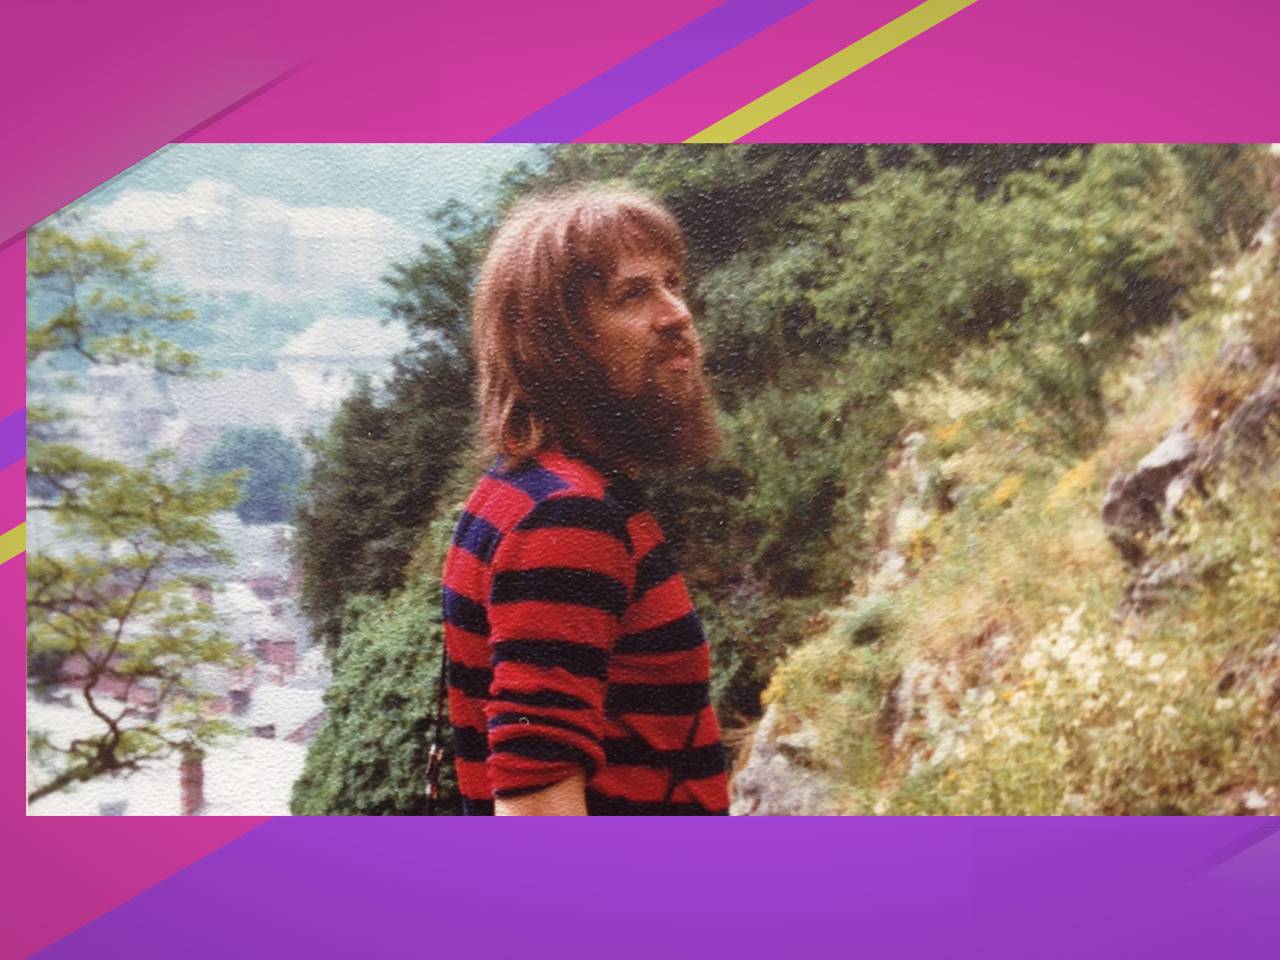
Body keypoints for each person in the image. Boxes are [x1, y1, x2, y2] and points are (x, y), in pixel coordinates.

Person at [441, 184, 729, 815]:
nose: (676, 313)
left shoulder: (520, 490)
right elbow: (534, 807)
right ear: (558, 343)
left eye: (672, 283)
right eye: (633, 294)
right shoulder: (568, 518)